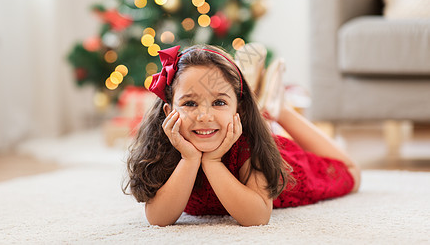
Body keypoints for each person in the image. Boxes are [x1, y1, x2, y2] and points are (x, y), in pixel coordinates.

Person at [122, 44, 361, 227]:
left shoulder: (251, 147)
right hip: (206, 140)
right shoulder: (166, 147)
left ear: (240, 110)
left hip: (287, 167)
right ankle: (259, 97)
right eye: (190, 103)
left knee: (352, 173)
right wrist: (190, 159)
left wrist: (213, 161)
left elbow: (257, 217)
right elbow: (158, 219)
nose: (204, 116)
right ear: (169, 111)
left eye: (218, 102)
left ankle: (280, 111)